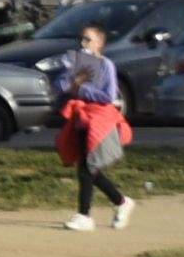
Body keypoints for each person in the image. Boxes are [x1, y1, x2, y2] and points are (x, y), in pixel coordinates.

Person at [54, 20, 133, 233]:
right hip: (81, 119)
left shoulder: (106, 65)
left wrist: (82, 88)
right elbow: (60, 85)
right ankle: (121, 202)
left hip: (99, 120)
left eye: (88, 39)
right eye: (82, 39)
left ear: (99, 43)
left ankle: (85, 216)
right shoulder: (75, 63)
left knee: (88, 168)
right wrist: (71, 78)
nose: (84, 43)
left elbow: (109, 96)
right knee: (88, 168)